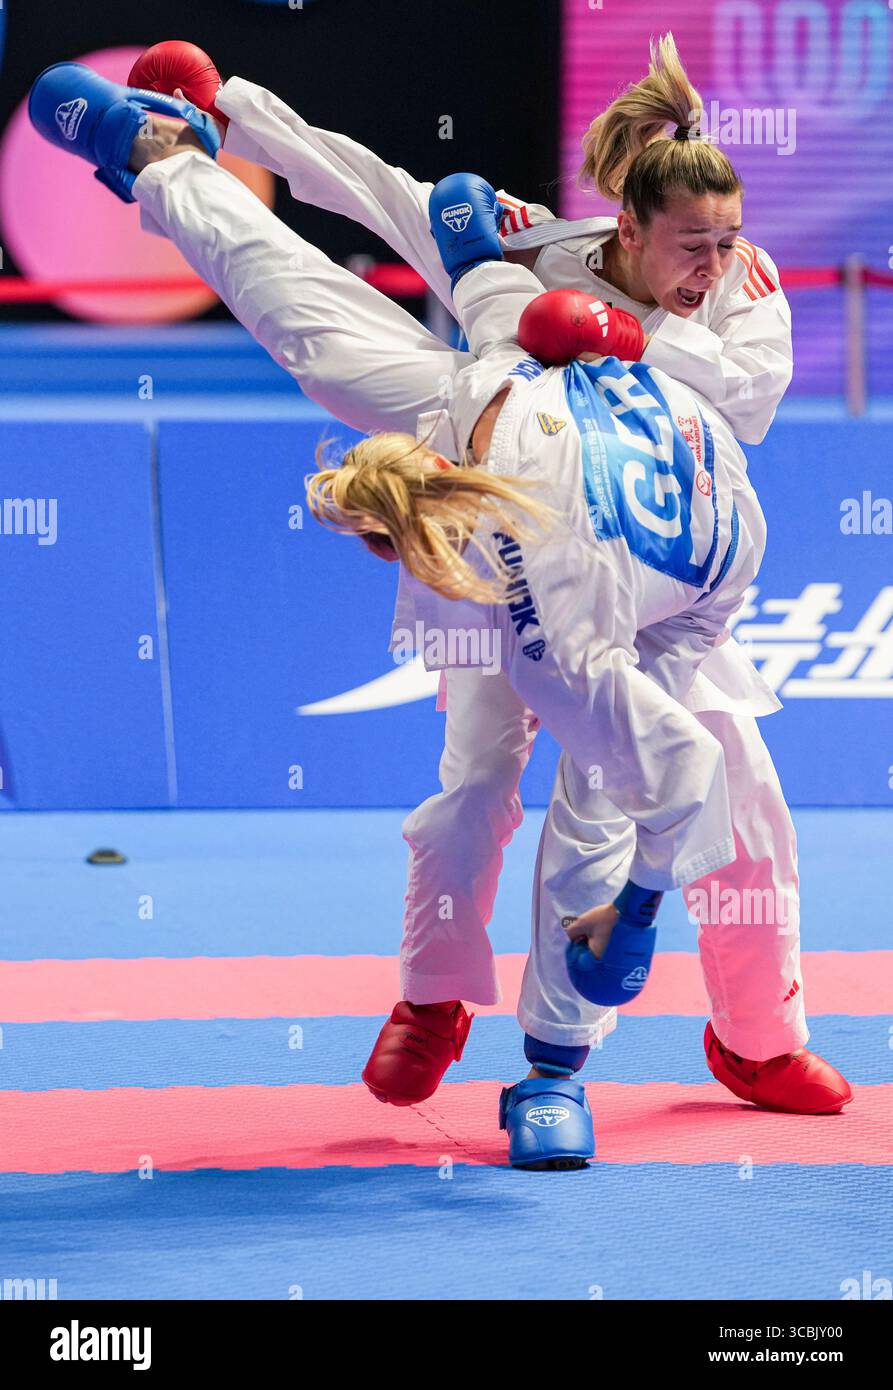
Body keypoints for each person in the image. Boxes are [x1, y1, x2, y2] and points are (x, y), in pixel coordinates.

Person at [28, 55, 851, 1156]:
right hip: (504, 514)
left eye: (722, 244)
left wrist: (627, 336)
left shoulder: (736, 288)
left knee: (730, 794)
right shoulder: (532, 248)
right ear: (626, 227)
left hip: (654, 552)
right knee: (474, 779)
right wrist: (239, 111)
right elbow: (372, 186)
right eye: (688, 247)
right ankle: (436, 996)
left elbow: (746, 397)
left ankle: (743, 1036)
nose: (712, 265)